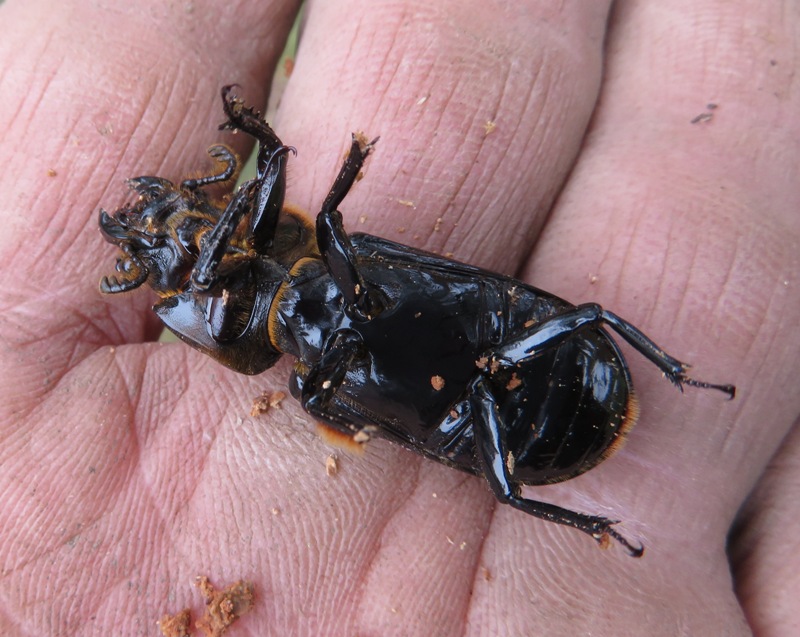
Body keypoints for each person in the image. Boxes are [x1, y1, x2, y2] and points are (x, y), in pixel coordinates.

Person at [0, 1, 797, 634]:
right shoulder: (317, 371)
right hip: (494, 408)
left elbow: (314, 223)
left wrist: (285, 165)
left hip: (528, 362)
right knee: (514, 480)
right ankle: (596, 513)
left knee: (589, 316)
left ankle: (681, 375)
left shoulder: (330, 274)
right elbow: (305, 262)